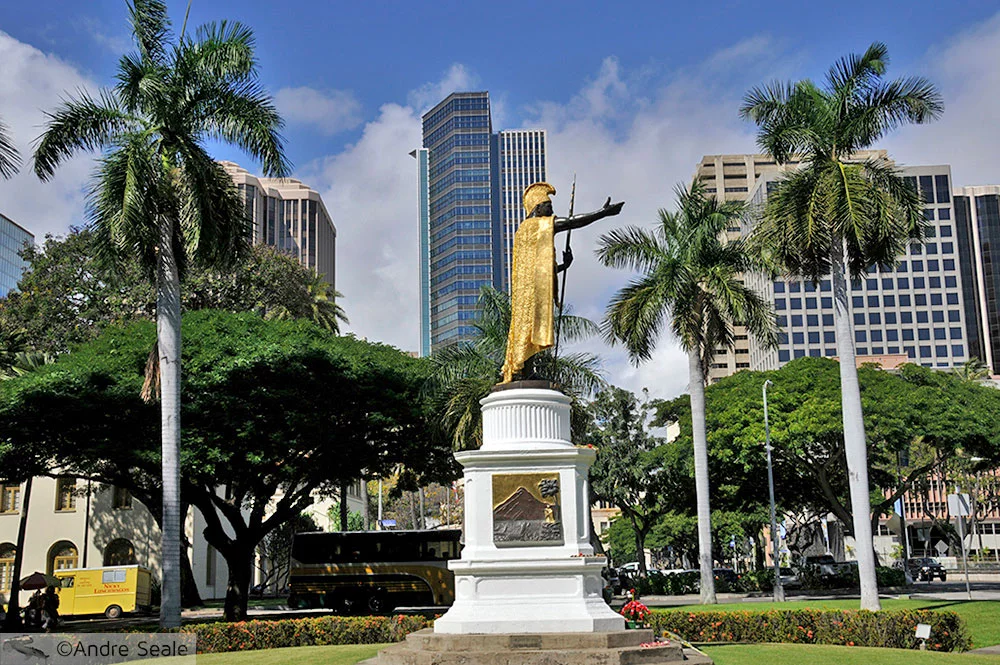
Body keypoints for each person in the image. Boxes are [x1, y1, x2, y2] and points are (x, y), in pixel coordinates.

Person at [501, 182, 624, 383]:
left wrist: (563, 266)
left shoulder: (526, 231)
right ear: (537, 208)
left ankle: (526, 371)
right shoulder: (534, 225)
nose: (552, 211)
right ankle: (521, 370)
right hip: (531, 293)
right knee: (529, 327)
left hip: (531, 290)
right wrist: (601, 213)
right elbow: (569, 223)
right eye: (548, 206)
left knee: (531, 329)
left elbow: (540, 270)